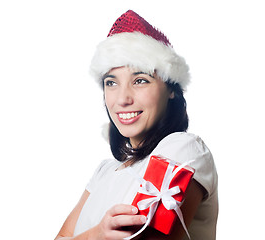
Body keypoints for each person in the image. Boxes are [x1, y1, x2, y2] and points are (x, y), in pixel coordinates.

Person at [55, 10, 218, 240]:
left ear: (172, 89)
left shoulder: (183, 149)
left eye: (140, 80)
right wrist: (97, 235)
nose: (122, 99)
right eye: (111, 82)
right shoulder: (104, 173)